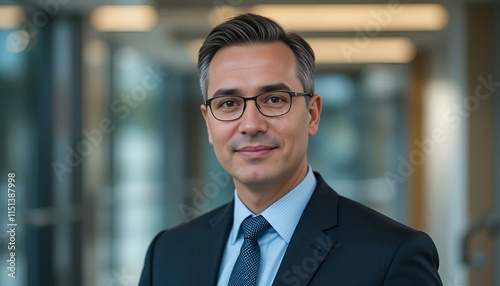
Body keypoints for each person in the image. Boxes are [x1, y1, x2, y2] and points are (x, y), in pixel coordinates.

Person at [139, 13, 442, 286]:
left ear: (312, 114)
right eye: (228, 104)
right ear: (208, 123)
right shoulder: (167, 255)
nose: (251, 124)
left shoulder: (390, 256)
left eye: (273, 99)